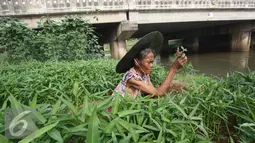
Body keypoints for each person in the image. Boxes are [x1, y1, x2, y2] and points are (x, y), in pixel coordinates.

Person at [113, 31, 188, 99]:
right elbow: (158, 93)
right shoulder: (131, 78)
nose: (151, 65)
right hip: (116, 111)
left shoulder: (145, 74)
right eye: (149, 62)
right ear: (136, 62)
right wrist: (173, 69)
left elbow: (153, 93)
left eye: (152, 62)